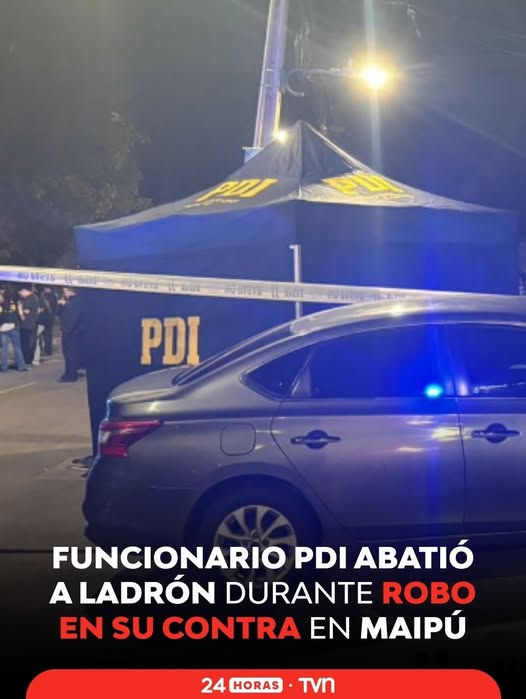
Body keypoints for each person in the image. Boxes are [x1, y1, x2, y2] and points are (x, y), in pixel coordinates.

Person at [57, 287, 83, 382]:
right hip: (72, 331)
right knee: (70, 354)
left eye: (65, 292)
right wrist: (61, 305)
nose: (64, 294)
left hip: (72, 332)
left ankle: (70, 375)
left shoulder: (75, 302)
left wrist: (66, 330)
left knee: (70, 354)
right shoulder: (70, 302)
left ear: (70, 291)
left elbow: (73, 318)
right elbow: (58, 312)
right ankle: (73, 371)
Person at [0, 287, 27, 372]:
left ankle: (4, 367)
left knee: (4, 348)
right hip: (14, 326)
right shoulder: (16, 303)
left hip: (3, 327)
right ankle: (21, 366)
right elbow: (21, 316)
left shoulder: (1, 303)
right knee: (17, 347)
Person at [18, 285, 39, 368]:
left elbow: (25, 314)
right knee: (30, 344)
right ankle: (28, 361)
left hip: (27, 325)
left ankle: (27, 362)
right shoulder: (35, 298)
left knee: (26, 345)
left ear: (24, 290)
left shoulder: (29, 300)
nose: (20, 294)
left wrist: (19, 308)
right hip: (32, 324)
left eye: (21, 292)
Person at [41, 286, 58, 355]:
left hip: (47, 317)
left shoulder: (48, 296)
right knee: (47, 334)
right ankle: (48, 349)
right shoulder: (53, 296)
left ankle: (47, 350)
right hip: (50, 317)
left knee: (47, 335)